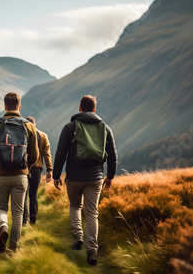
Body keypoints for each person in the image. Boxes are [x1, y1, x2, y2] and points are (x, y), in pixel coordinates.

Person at [52, 95, 117, 266]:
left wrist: (56, 175)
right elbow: (113, 155)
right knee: (92, 213)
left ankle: (78, 236)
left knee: (75, 206)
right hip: (95, 177)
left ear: (80, 108)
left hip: (73, 177)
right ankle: (92, 251)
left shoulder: (69, 127)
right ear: (94, 109)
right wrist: (110, 176)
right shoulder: (105, 128)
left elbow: (60, 153)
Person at [0, 92, 39, 253]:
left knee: (1, 208)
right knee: (18, 213)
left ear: (5, 106)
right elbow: (35, 155)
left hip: (0, 174)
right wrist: (26, 168)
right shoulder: (28, 126)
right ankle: (12, 249)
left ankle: (3, 228)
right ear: (19, 107)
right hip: (21, 175)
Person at [23, 116, 52, 225]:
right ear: (34, 124)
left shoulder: (23, 135)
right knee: (33, 194)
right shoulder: (43, 135)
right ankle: (33, 220)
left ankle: (24, 220)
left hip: (24, 168)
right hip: (37, 168)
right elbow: (47, 153)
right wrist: (49, 169)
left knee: (24, 194)